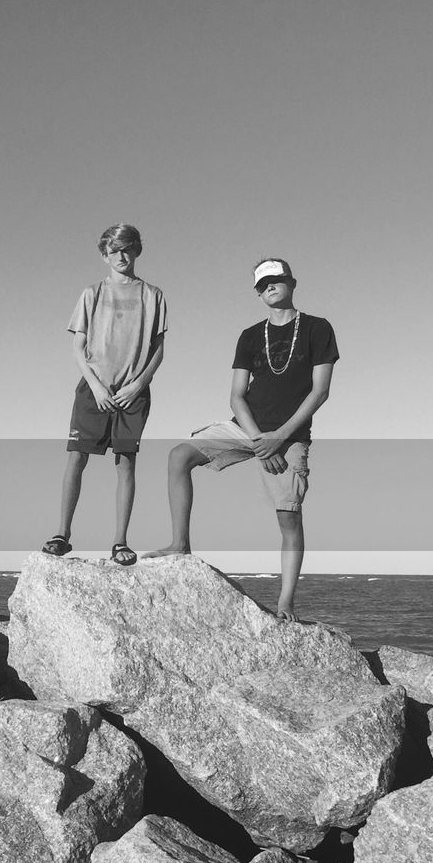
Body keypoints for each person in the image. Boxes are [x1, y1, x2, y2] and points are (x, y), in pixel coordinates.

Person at [144, 258, 339, 620]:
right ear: (258, 293)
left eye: (277, 281)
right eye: (263, 285)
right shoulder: (250, 335)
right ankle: (179, 544)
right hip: (246, 426)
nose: (270, 288)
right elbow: (236, 394)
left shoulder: (317, 328)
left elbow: (320, 392)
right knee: (178, 455)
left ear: (292, 282)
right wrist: (257, 439)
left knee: (289, 517)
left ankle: (285, 602)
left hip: (290, 434)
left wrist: (277, 438)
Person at [43, 224, 167, 566]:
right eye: (114, 251)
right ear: (104, 255)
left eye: (127, 249)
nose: (121, 256)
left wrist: (138, 385)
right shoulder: (91, 293)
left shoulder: (153, 295)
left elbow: (158, 349)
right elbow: (78, 345)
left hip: (133, 392)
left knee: (126, 463)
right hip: (93, 389)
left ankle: (120, 542)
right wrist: (96, 386)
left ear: (137, 251)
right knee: (76, 458)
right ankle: (62, 534)